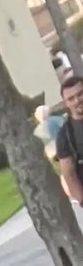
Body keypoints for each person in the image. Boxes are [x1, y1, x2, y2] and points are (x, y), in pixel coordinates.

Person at [54, 70, 83, 207]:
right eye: (71, 98)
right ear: (66, 103)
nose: (77, 100)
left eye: (80, 94)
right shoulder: (65, 136)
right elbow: (69, 175)